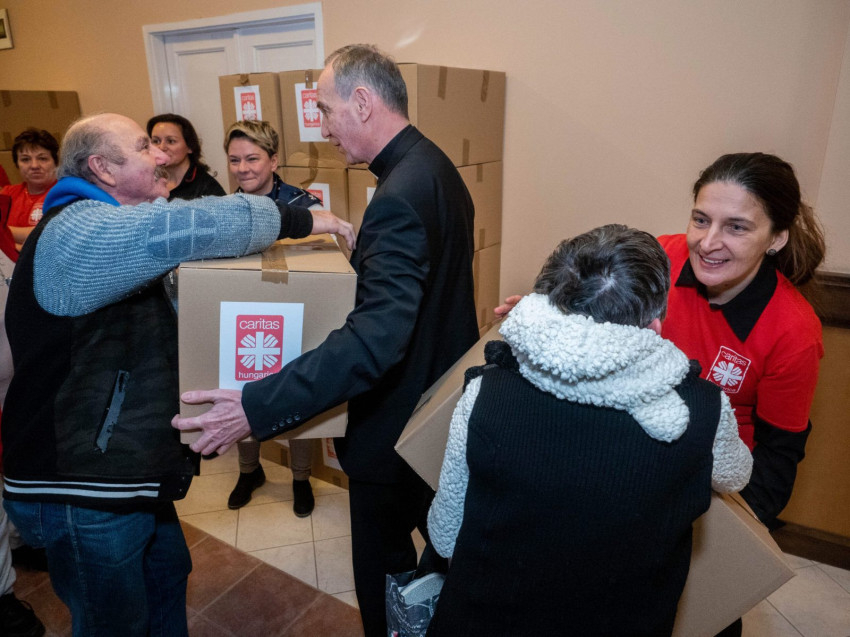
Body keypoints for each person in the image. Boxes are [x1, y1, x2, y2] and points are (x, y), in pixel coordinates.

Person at [1, 112, 354, 637]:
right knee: (114, 623)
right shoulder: (77, 230)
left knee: (167, 577)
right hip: (81, 486)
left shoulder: (109, 220)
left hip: (125, 472)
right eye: (144, 147)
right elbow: (192, 224)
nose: (162, 155)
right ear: (102, 168)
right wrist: (300, 219)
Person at [173, 44, 479, 636]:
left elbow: (374, 342)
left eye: (325, 109)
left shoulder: (398, 196)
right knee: (442, 555)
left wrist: (255, 405)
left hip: (392, 431)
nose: (322, 126)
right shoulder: (437, 168)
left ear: (363, 102)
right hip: (431, 415)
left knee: (386, 578)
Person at [428, 225, 752, 636]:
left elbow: (445, 535)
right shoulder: (705, 409)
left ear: (548, 306)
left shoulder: (485, 392)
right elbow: (736, 475)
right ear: (655, 327)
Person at [659, 152, 825, 637]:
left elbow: (778, 459)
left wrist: (727, 548)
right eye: (700, 219)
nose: (708, 243)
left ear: (776, 238)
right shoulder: (659, 258)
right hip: (634, 477)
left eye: (736, 227)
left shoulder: (793, 332)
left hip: (713, 496)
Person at [223, 119, 319, 516]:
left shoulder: (306, 206)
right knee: (238, 391)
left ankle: (301, 479)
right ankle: (250, 471)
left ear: (273, 160)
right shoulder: (224, 210)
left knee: (296, 395)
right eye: (234, 160)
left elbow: (323, 270)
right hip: (243, 319)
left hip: (295, 318)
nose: (242, 169)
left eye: (252, 159)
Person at [0, 129, 59, 251]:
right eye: (25, 159)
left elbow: (52, 236)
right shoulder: (7, 193)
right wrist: (19, 247)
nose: (34, 166)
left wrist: (5, 233)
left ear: (56, 162)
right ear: (17, 164)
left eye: (42, 158)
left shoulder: (64, 193)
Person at [146, 113, 226, 201]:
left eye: (171, 141)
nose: (161, 147)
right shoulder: (147, 181)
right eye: (156, 141)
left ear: (190, 147)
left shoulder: (208, 189)